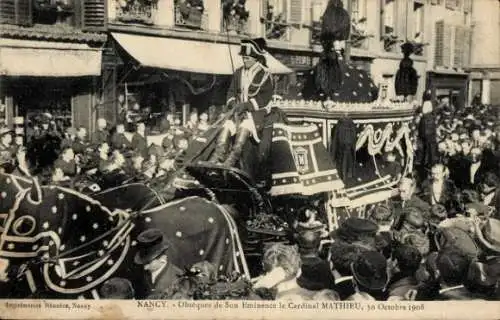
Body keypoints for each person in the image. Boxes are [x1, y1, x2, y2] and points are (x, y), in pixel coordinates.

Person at [209, 38, 275, 172]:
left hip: (254, 114)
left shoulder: (265, 75)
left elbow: (264, 98)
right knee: (226, 127)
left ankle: (232, 159)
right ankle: (217, 157)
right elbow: (231, 91)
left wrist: (246, 106)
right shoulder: (238, 72)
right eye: (243, 58)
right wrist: (233, 103)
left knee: (244, 129)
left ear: (255, 58)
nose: (244, 60)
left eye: (247, 58)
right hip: (236, 112)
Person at [133, 229, 182, 299]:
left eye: (148, 262)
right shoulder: (139, 274)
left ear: (162, 259)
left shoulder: (179, 279)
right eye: (143, 262)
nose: (145, 268)